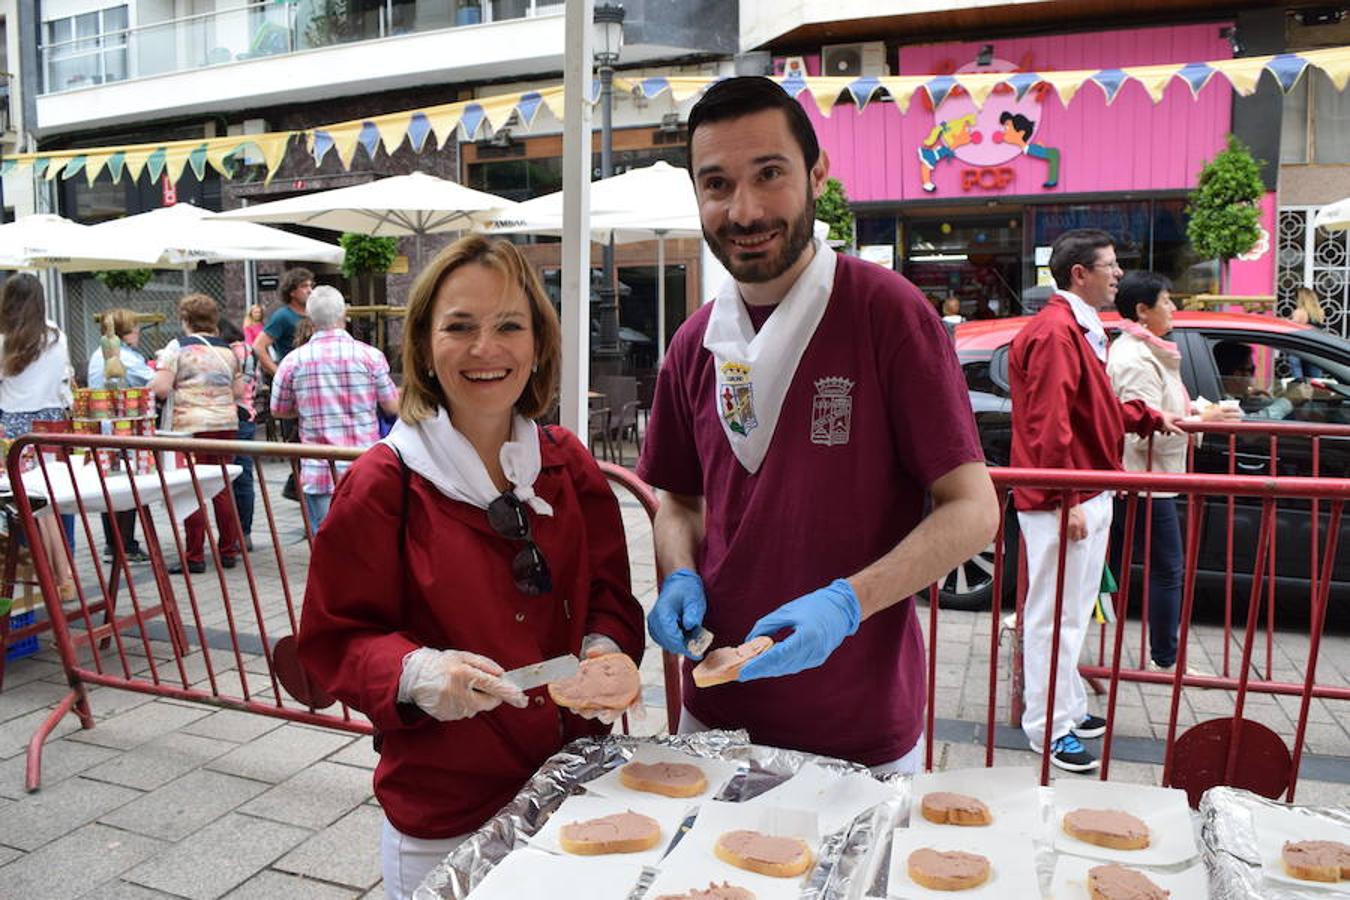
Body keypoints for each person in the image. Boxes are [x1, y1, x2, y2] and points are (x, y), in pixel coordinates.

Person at [637, 76, 998, 773]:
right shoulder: (694, 344)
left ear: (817, 174)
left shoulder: (886, 314)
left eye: (768, 174)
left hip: (858, 730)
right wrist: (679, 573)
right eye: (716, 184)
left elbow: (974, 508)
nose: (743, 209)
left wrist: (847, 603)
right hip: (713, 716)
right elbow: (678, 501)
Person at [297, 235, 644, 899]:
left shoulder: (568, 464)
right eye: (460, 326)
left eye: (510, 325)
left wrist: (605, 647)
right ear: (425, 346)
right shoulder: (384, 482)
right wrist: (418, 673)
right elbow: (335, 637)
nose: (487, 348)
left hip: (578, 789)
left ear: (538, 342)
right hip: (444, 817)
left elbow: (610, 596)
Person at [1009, 229, 1183, 773]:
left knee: (1070, 615)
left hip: (1082, 489)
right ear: (1077, 274)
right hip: (1069, 496)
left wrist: (1148, 416)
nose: (1117, 274)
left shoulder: (1077, 330)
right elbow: (1048, 427)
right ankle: (1049, 727)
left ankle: (1068, 709)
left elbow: (1094, 409)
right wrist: (1067, 500)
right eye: (1108, 266)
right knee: (1053, 617)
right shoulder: (1059, 333)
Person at [1105, 271, 1239, 673]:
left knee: (1101, 564)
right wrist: (1201, 422)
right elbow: (1141, 425)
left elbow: (1158, 410)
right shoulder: (1133, 356)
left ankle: (1025, 622)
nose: (1174, 308)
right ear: (1142, 311)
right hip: (1144, 481)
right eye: (1166, 301)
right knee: (1165, 569)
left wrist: (1200, 413)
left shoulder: (1149, 349)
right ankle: (1165, 659)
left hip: (1149, 479)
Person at [269, 286, 399, 531]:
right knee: (368, 538)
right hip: (365, 467)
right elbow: (391, 406)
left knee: (326, 540)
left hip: (319, 470)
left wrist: (309, 407)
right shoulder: (370, 356)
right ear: (344, 314)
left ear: (309, 318)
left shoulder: (293, 361)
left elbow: (278, 409)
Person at [151, 294, 244, 574]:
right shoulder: (228, 351)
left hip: (190, 426)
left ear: (186, 319)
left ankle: (194, 556)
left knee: (193, 488)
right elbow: (238, 392)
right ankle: (228, 550)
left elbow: (161, 389)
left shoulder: (176, 348)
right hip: (225, 424)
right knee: (221, 486)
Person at [0, 274, 77, 600]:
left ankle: (43, 576)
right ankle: (64, 571)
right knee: (51, 497)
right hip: (52, 423)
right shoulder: (55, 335)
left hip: (14, 425)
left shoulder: (5, 338)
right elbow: (65, 381)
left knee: (24, 502)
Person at [87, 308, 154, 564]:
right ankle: (124, 544)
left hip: (101, 427)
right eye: (136, 328)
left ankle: (112, 543)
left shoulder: (98, 353)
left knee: (111, 485)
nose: (138, 332)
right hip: (121, 427)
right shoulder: (124, 356)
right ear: (128, 332)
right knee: (126, 485)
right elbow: (152, 382)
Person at [218, 318, 259, 551]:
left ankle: (234, 533)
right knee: (244, 476)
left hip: (230, 416)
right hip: (247, 416)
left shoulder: (228, 353)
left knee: (227, 478)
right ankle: (244, 533)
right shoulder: (249, 350)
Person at [1213, 340, 1312, 421]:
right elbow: (1249, 428)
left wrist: (1244, 396)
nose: (1254, 375)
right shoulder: (1224, 404)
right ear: (1238, 375)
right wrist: (1289, 401)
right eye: (1251, 370)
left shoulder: (1220, 395)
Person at [252, 268, 314, 379]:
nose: (310, 290)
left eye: (310, 286)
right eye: (304, 286)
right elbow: (258, 346)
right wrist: (279, 374)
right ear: (292, 292)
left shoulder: (314, 314)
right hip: (294, 376)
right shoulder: (283, 316)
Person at [1287, 287, 1326, 378]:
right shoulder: (1320, 312)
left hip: (1298, 348)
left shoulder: (1299, 312)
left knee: (1299, 380)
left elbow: (1291, 329)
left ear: (1300, 298)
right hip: (1315, 349)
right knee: (1315, 380)